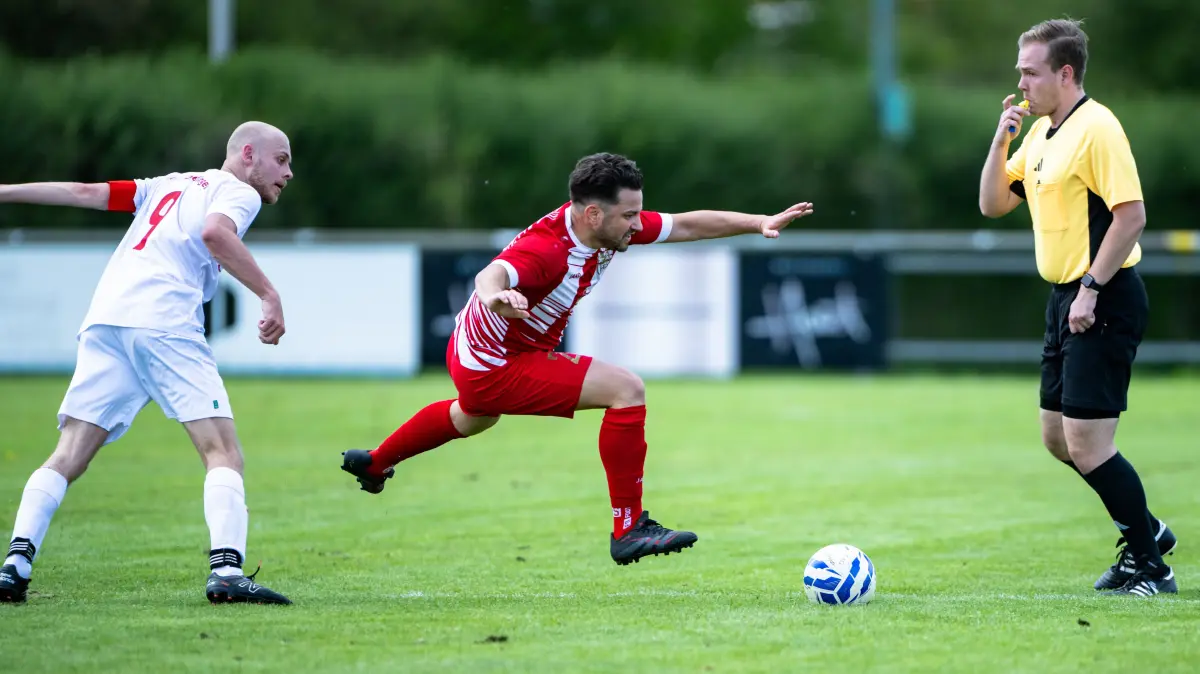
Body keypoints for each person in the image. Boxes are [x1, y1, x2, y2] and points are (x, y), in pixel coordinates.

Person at [341, 152, 814, 565]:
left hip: (475, 351)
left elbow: (686, 224)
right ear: (592, 213)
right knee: (626, 389)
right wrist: (496, 297)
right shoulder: (548, 251)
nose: (638, 224)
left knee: (474, 417)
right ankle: (628, 528)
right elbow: (491, 275)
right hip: (495, 362)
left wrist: (759, 222)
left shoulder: (603, 227)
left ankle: (375, 462)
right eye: (630, 215)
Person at [0, 121, 295, 604]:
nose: (288, 172)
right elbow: (215, 233)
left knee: (68, 453)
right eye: (281, 160)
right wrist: (269, 293)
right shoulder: (239, 192)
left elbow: (84, 192)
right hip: (164, 320)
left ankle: (14, 566)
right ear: (248, 155)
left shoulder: (165, 184)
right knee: (223, 452)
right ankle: (226, 572)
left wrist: (6, 191)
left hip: (107, 319)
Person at [979, 19, 1175, 596]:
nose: (1021, 83)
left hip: (1103, 296)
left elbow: (1131, 217)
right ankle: (1147, 531)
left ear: (1065, 74)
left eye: (1030, 72)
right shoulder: (1041, 133)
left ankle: (1151, 567)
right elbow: (993, 204)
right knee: (1058, 439)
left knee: (1089, 444)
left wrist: (1091, 286)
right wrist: (1001, 141)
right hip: (1065, 297)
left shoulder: (1098, 128)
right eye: (1020, 71)